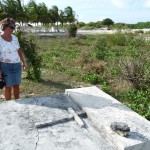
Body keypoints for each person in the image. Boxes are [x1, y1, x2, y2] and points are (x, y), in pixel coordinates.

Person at [0, 18, 26, 100]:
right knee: (8, 87)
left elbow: (19, 50)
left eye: (14, 27)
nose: (13, 29)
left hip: (17, 65)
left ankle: (17, 103)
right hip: (5, 66)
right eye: (11, 27)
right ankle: (9, 106)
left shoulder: (15, 38)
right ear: (5, 27)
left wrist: (23, 62)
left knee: (16, 85)